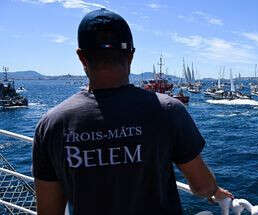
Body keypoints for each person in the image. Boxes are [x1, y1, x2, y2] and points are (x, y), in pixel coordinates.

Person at [32, 8, 233, 215]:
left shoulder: (51, 124)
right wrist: (214, 190)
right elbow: (202, 187)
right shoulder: (168, 110)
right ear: (131, 55)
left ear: (82, 57)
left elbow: (48, 211)